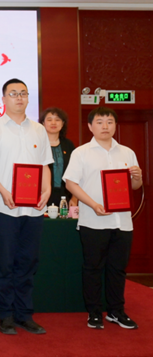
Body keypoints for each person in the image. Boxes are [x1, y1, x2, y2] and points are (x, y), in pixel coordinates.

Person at [0, 78, 53, 335]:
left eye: (23, 93)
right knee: (5, 264)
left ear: (28, 98)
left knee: (28, 263)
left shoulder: (39, 130)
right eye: (13, 93)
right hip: (4, 207)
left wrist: (47, 190)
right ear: (4, 99)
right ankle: (6, 315)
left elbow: (44, 165)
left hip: (34, 209)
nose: (19, 97)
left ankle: (24, 314)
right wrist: (2, 190)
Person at [64, 107, 142, 330]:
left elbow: (134, 186)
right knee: (93, 268)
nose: (105, 126)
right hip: (93, 220)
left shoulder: (127, 152)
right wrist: (93, 205)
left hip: (122, 221)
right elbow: (70, 183)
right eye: (99, 122)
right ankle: (95, 312)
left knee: (118, 269)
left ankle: (116, 311)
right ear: (90, 126)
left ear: (115, 125)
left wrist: (137, 178)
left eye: (109, 121)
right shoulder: (81, 153)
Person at [39, 107, 77, 208]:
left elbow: (75, 172)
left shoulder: (68, 145)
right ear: (43, 123)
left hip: (65, 195)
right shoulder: (38, 144)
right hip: (42, 195)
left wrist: (74, 197)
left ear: (63, 123)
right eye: (49, 120)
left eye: (57, 120)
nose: (53, 123)